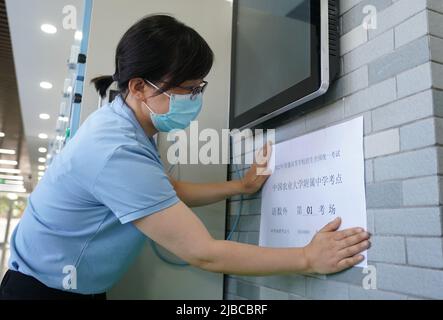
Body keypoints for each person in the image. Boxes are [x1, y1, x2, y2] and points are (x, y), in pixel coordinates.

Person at [0, 15, 370, 300]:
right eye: (186, 90)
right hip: (43, 291)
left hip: (71, 284)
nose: (194, 98)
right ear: (139, 87)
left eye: (199, 88)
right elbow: (202, 253)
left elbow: (165, 189)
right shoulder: (113, 148)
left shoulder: (129, 124)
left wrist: (240, 186)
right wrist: (307, 257)